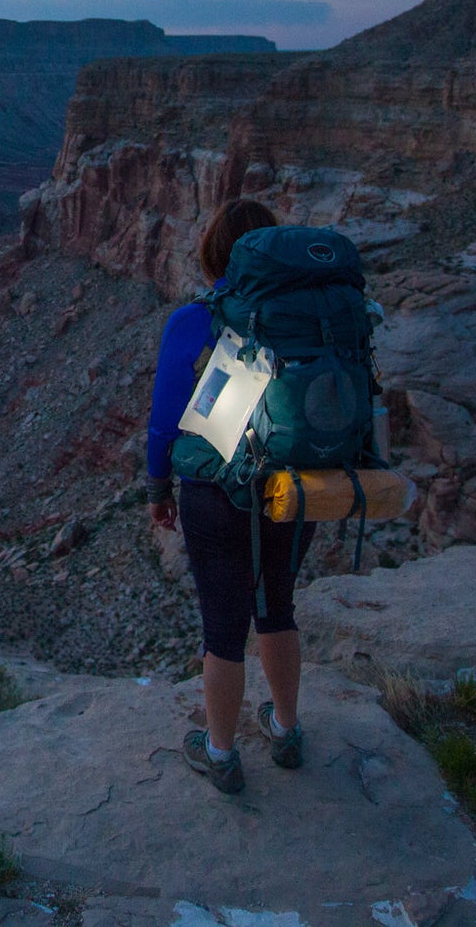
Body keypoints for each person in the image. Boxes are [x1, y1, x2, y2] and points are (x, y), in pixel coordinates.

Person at [145, 197, 315, 794]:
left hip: (215, 493)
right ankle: (287, 730)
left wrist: (157, 487)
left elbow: (167, 419)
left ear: (215, 251)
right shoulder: (305, 319)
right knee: (278, 606)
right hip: (291, 489)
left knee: (223, 626)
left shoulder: (195, 320)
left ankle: (220, 753)